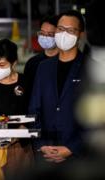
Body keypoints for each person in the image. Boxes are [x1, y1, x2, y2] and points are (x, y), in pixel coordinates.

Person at [29, 10, 85, 163]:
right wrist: (41, 144)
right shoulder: (44, 67)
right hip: (45, 154)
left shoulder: (90, 67)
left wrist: (72, 148)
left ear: (81, 34)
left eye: (70, 30)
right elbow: (34, 110)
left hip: (79, 157)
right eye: (60, 29)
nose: (64, 34)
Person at [0, 39, 33, 180]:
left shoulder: (25, 82)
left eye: (2, 65)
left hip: (19, 146)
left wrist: (17, 133)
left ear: (13, 63)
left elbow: (31, 112)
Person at [24, 15, 59, 103]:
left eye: (50, 34)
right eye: (42, 33)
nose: (45, 37)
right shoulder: (32, 63)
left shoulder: (64, 61)